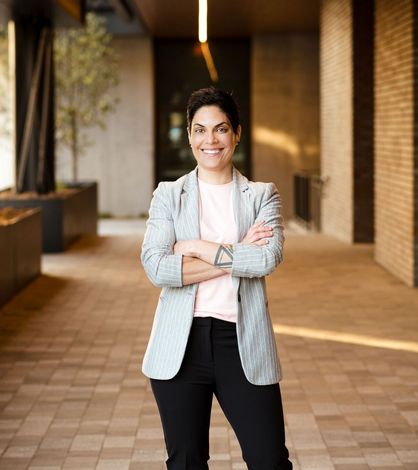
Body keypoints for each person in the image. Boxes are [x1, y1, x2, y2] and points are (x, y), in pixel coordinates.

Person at [141, 86, 292, 470]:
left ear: (237, 133)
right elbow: (157, 267)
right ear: (190, 136)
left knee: (268, 459)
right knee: (186, 461)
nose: (211, 140)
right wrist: (237, 249)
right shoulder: (169, 196)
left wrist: (196, 246)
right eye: (200, 129)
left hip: (242, 343)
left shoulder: (261, 195)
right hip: (180, 344)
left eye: (221, 129)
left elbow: (266, 259)